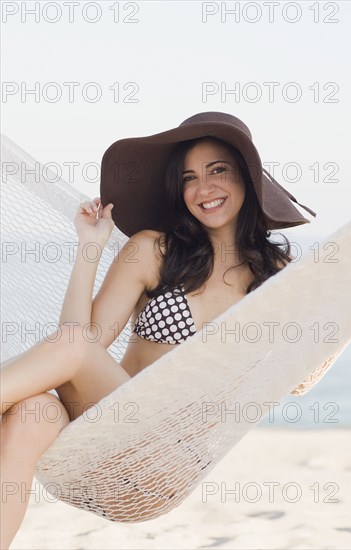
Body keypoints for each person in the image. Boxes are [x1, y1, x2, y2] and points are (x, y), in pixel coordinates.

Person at [0, 111, 316, 548]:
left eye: (217, 170)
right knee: (33, 412)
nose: (203, 189)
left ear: (247, 177)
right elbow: (76, 345)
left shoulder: (279, 278)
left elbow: (302, 375)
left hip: (167, 464)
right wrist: (89, 248)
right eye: (189, 178)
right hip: (102, 440)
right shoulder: (153, 250)